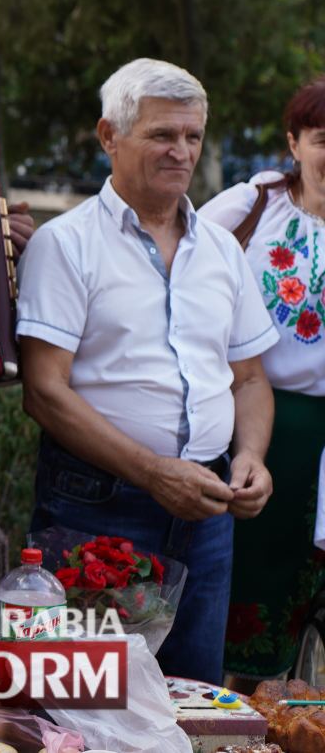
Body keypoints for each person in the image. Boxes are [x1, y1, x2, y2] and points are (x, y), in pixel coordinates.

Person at [18, 57, 276, 683]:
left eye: (192, 136)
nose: (180, 152)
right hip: (98, 508)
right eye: (162, 135)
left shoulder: (219, 248)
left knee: (194, 703)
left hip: (209, 514)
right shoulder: (66, 244)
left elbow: (248, 378)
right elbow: (44, 393)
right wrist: (157, 473)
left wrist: (251, 457)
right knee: (84, 710)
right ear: (110, 136)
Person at [199, 75, 325, 680]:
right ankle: (222, 710)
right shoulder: (251, 207)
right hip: (256, 419)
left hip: (324, 439)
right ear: (294, 143)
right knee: (245, 575)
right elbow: (179, 278)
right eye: (323, 139)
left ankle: (292, 717)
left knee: (310, 581)